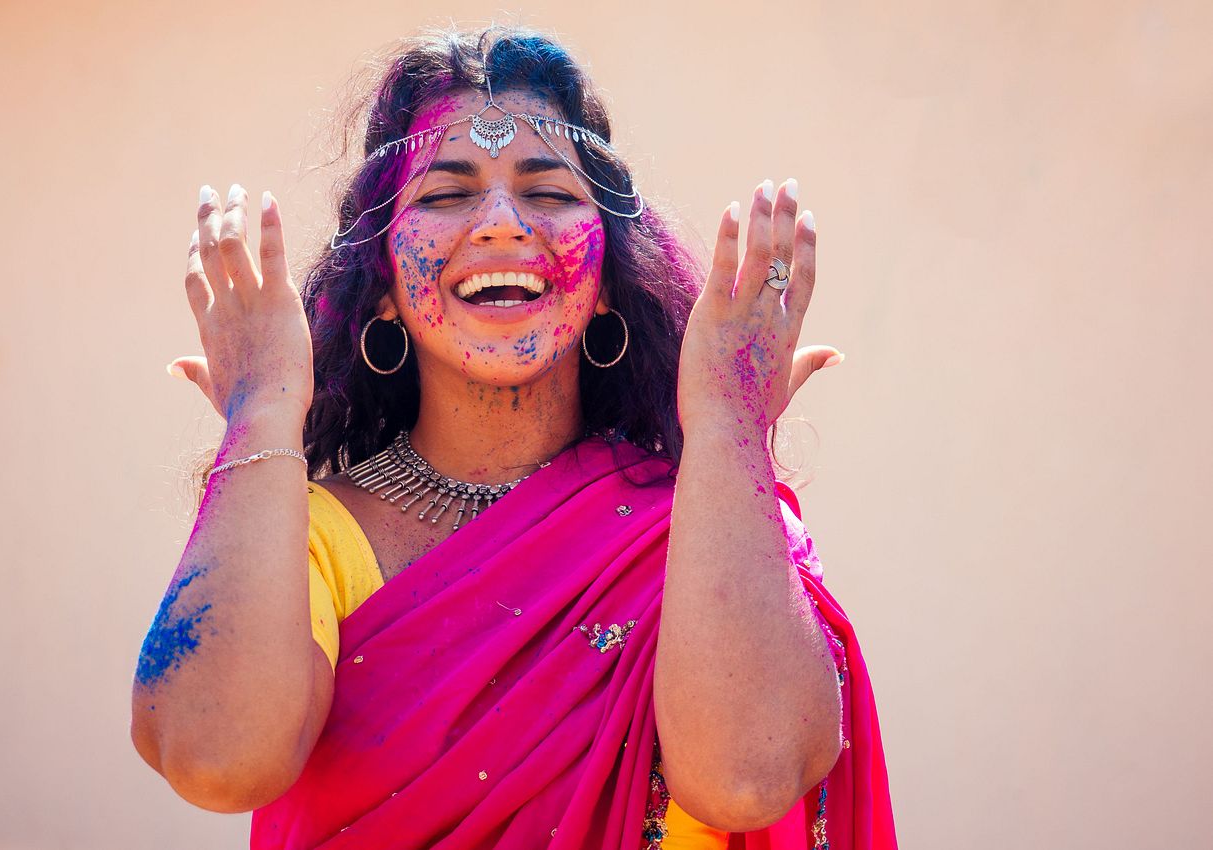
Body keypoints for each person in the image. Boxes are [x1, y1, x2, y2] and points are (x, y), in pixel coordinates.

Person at [131, 25, 896, 850]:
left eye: (549, 192)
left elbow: (747, 777)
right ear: (381, 283)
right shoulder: (311, 536)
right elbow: (213, 758)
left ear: (608, 280)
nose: (500, 222)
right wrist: (261, 410)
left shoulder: (702, 519)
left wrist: (726, 425)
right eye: (444, 196)